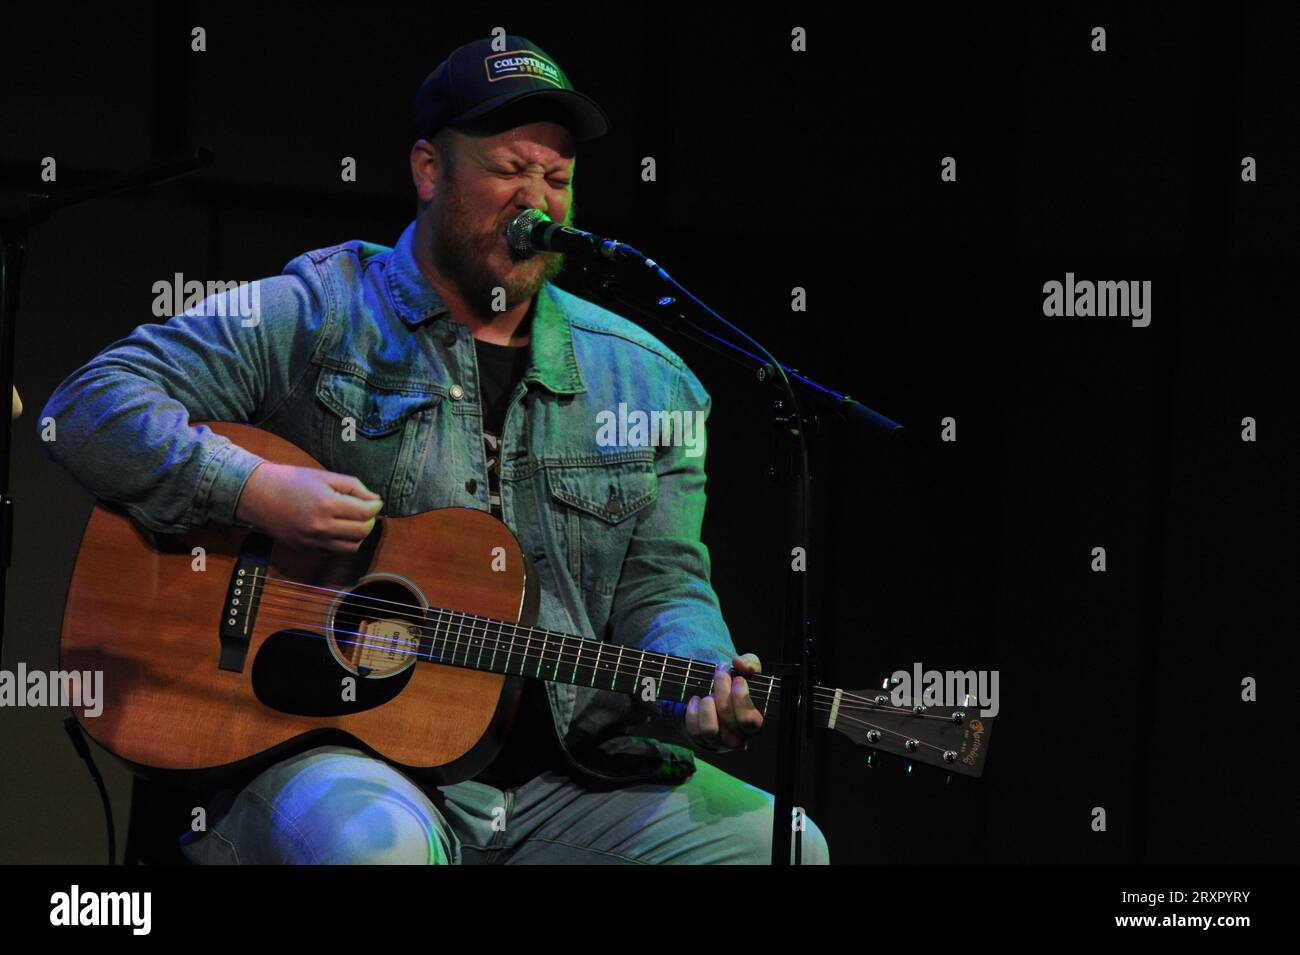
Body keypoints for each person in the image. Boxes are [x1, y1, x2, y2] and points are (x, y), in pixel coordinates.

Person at [40, 35, 828, 864]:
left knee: (783, 847)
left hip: (567, 780)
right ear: (428, 170)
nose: (539, 201)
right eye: (510, 169)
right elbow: (88, 404)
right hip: (335, 753)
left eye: (557, 179)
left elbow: (663, 586)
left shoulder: (649, 382)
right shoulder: (321, 310)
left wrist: (697, 678)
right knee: (382, 846)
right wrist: (253, 491)